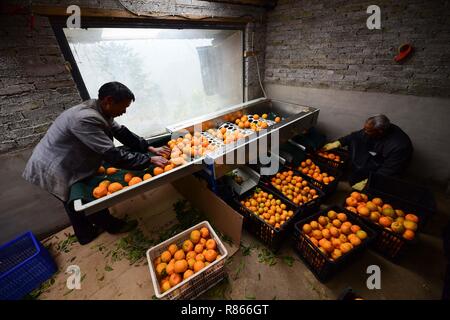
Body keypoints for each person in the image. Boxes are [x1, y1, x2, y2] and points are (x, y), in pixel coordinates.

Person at [23, 82, 170, 245]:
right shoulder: (84, 119)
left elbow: (122, 133)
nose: (124, 111)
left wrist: (149, 147)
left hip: (66, 160)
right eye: (123, 107)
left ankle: (87, 232)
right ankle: (104, 228)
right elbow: (112, 155)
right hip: (52, 165)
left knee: (78, 200)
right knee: (76, 199)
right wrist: (149, 159)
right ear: (109, 101)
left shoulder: (102, 111)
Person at [323, 114, 413, 191]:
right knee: (355, 177)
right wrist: (338, 142)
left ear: (380, 131)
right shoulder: (374, 129)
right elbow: (355, 136)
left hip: (387, 169)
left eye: (368, 130)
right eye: (364, 128)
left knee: (373, 189)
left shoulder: (399, 146)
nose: (365, 132)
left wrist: (370, 181)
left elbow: (389, 170)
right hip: (374, 157)